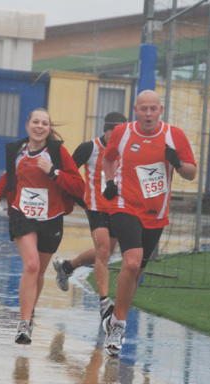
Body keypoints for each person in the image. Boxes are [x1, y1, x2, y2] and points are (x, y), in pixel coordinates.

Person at [101, 90, 197, 356]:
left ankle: (114, 318)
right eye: (143, 109)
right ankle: (119, 325)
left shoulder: (173, 136)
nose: (148, 114)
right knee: (131, 262)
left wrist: (175, 161)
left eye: (153, 109)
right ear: (136, 110)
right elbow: (108, 157)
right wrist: (110, 183)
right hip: (123, 205)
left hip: (155, 214)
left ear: (160, 110)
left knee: (136, 272)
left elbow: (191, 173)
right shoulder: (122, 132)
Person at [0, 108, 85, 345]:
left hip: (52, 216)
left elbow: (78, 187)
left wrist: (53, 171)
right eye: (36, 122)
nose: (40, 126)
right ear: (28, 125)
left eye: (45, 123)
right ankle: (24, 322)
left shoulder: (57, 152)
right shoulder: (18, 150)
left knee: (38, 271)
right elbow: (9, 175)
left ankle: (29, 313)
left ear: (49, 128)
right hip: (22, 213)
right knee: (30, 265)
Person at [52, 112, 128, 322]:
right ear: (107, 130)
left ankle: (67, 266)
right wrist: (78, 197)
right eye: (116, 133)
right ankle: (104, 302)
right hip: (95, 207)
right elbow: (68, 174)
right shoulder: (89, 148)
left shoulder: (126, 149)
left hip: (118, 208)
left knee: (103, 253)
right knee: (103, 250)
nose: (119, 138)